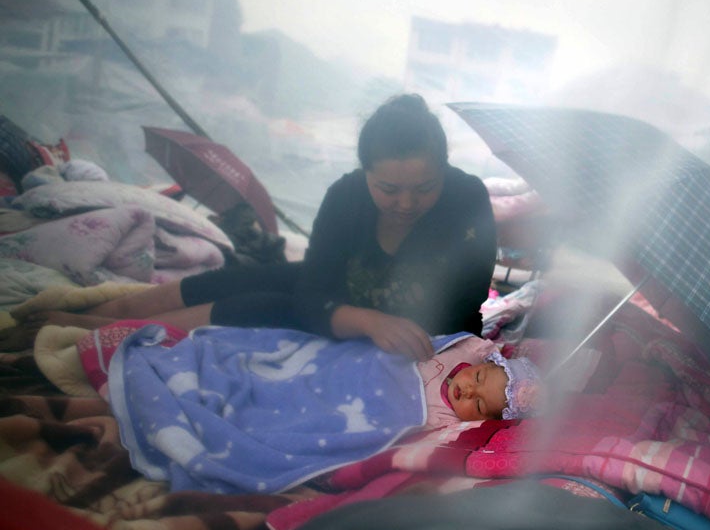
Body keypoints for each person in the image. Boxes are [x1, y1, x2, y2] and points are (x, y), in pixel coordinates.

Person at [21, 94, 497, 361]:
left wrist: (375, 323)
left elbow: (461, 307)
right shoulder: (346, 195)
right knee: (231, 278)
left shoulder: (467, 200)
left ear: (444, 170)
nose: (406, 203)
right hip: (343, 296)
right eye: (388, 189)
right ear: (365, 173)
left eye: (424, 188)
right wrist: (369, 317)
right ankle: (94, 314)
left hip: (384, 316)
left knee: (256, 304)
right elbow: (317, 286)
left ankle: (93, 332)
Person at [93, 323, 541, 493]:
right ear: (474, 365)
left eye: (478, 404)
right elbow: (380, 353)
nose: (467, 391)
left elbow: (437, 442)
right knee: (279, 366)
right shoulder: (449, 358)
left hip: (368, 412)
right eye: (476, 379)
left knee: (287, 423)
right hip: (343, 374)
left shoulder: (445, 422)